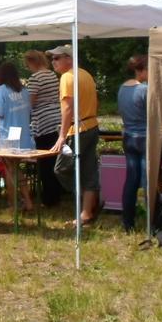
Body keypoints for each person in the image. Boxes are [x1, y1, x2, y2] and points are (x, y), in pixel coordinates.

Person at [49, 45, 102, 227]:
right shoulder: (85, 74)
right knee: (88, 171)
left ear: (69, 58)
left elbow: (67, 108)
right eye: (52, 58)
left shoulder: (67, 77)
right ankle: (87, 212)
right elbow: (96, 101)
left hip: (78, 130)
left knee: (61, 169)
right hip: (91, 126)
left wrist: (62, 136)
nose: (53, 62)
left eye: (57, 58)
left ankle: (87, 200)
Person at [0, 60, 35, 211]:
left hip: (8, 135)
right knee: (16, 168)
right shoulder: (24, 91)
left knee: (9, 169)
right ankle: (27, 201)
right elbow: (29, 112)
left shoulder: (1, 90)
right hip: (23, 135)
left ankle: (13, 204)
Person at [24, 50, 63, 207]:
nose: (27, 67)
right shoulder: (52, 74)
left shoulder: (35, 78)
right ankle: (57, 194)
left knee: (44, 162)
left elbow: (31, 102)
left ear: (32, 62)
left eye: (27, 64)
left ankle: (48, 198)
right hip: (56, 119)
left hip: (42, 122)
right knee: (54, 159)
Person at [118, 55, 148, 232]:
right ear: (140, 70)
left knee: (131, 181)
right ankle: (152, 223)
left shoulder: (122, 89)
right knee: (147, 180)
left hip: (128, 137)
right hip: (144, 138)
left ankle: (127, 222)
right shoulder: (144, 89)